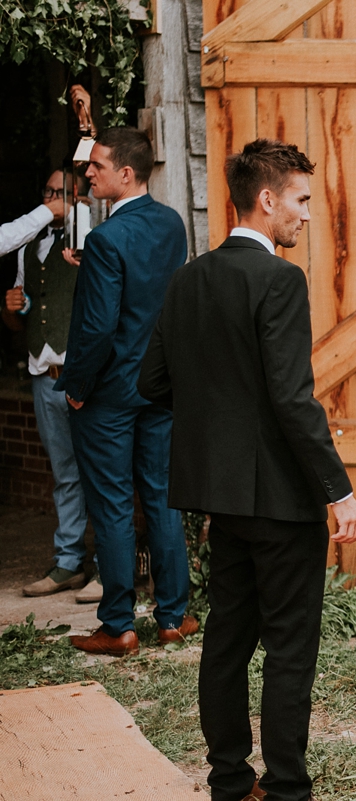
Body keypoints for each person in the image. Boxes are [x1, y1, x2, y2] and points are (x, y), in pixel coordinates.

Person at [139, 138, 356, 801]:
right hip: (283, 499)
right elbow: (292, 397)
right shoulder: (279, 280)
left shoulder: (188, 279)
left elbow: (153, 381)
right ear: (265, 200)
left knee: (228, 639)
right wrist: (340, 491)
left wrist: (219, 414)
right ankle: (289, 788)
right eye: (300, 200)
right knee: (290, 646)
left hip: (219, 495)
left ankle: (230, 782)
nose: (306, 214)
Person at [57, 127, 192, 657]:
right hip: (157, 388)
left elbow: (96, 330)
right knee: (159, 497)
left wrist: (77, 388)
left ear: (126, 174)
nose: (89, 173)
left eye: (98, 166)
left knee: (112, 504)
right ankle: (173, 619)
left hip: (109, 393)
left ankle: (118, 627)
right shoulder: (171, 225)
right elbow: (154, 302)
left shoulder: (106, 239)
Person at [2, 170, 96, 601]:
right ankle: (68, 562)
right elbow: (22, 315)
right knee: (64, 474)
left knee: (101, 472)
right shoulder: (27, 246)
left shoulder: (90, 235)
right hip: (44, 376)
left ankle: (106, 567)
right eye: (49, 192)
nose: (55, 200)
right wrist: (13, 307)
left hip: (83, 378)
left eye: (63, 192)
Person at [0, 190, 64, 258]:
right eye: (48, 191)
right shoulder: (26, 250)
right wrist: (48, 211)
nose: (54, 199)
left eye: (62, 192)